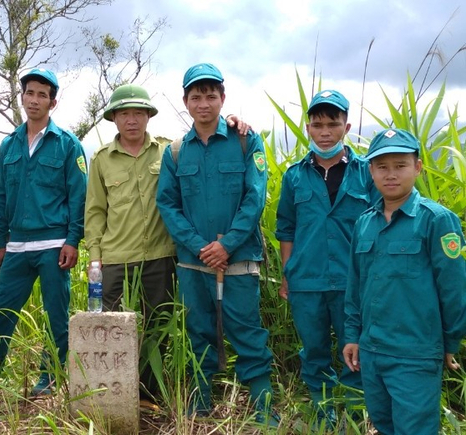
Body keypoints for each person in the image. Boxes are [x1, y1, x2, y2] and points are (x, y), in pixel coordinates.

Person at [156, 63, 278, 425]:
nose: (204, 103)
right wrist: (200, 246)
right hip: (195, 264)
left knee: (247, 332)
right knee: (199, 332)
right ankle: (201, 404)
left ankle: (263, 408)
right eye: (196, 96)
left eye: (211, 95)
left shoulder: (245, 141)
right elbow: (168, 204)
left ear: (223, 98)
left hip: (238, 261)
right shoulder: (176, 152)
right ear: (186, 102)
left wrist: (227, 246)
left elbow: (255, 197)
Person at [343, 128, 466, 435]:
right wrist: (352, 335)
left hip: (415, 353)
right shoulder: (364, 222)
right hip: (372, 352)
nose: (391, 175)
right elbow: (355, 284)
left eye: (400, 165)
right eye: (382, 167)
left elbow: (454, 289)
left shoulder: (436, 220)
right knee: (384, 425)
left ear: (418, 167)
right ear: (370, 170)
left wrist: (449, 343)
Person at [275, 90, 374, 428]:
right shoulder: (294, 176)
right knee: (314, 353)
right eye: (318, 125)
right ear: (308, 128)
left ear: (346, 127)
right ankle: (323, 414)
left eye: (333, 124)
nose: (325, 131)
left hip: (353, 283)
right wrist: (288, 274)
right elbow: (286, 228)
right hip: (307, 281)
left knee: (356, 352)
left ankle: (355, 416)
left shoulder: (366, 172)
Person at [0, 68, 87, 395]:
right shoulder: (9, 145)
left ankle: (50, 379)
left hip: (54, 245)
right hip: (16, 247)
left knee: (56, 316)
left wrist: (72, 240)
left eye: (42, 94)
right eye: (30, 92)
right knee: (2, 314)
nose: (35, 99)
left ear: (52, 102)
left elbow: (79, 195)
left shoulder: (67, 145)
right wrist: (0, 241)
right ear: (23, 97)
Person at [84, 84, 177, 408]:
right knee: (110, 327)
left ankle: (146, 395)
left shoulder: (168, 151)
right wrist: (94, 258)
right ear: (114, 118)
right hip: (115, 258)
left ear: (148, 116)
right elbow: (95, 211)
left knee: (156, 327)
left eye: (138, 113)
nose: (132, 120)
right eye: (125, 113)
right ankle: (111, 394)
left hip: (160, 256)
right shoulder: (101, 160)